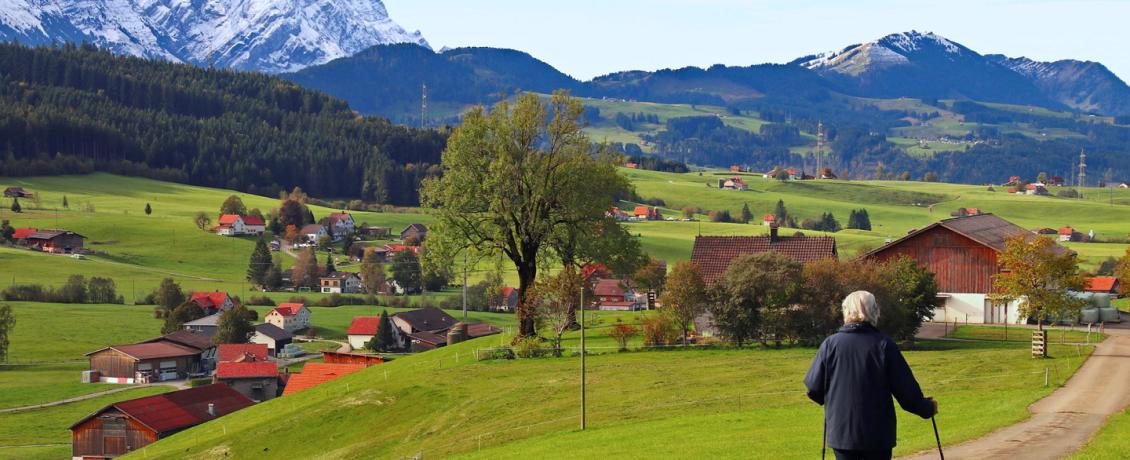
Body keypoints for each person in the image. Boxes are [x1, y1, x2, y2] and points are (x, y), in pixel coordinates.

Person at [804, 291, 938, 460]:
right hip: (877, 437)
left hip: (842, 435)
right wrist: (927, 408)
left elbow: (813, 390)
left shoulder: (830, 345)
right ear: (874, 312)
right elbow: (907, 393)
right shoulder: (884, 345)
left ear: (846, 311)